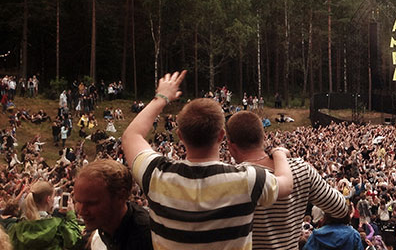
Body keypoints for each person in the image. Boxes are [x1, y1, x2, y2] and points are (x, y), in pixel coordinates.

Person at [122, 71, 294, 249]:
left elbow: (130, 136)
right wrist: (279, 153)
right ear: (221, 135)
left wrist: (161, 97)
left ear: (180, 136)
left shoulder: (156, 174)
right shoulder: (248, 180)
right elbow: (286, 184)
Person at [226, 110, 348, 250]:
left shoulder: (232, 179)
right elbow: (340, 207)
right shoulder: (301, 169)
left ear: (230, 145)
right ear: (264, 137)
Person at [74, 159, 152, 250]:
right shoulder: (104, 224)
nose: (81, 211)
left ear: (120, 196)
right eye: (78, 202)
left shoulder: (148, 238)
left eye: (91, 203)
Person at [7, 180, 82, 250]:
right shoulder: (58, 226)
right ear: (48, 199)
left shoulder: (15, 229)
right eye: (53, 196)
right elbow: (73, 240)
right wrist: (71, 214)